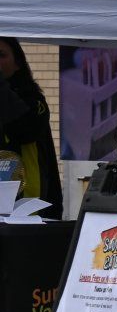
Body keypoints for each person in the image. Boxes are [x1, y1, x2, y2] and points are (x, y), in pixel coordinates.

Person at [0, 38, 61, 219]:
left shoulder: (32, 100)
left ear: (18, 63)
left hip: (26, 203)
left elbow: (26, 130)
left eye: (1, 55)